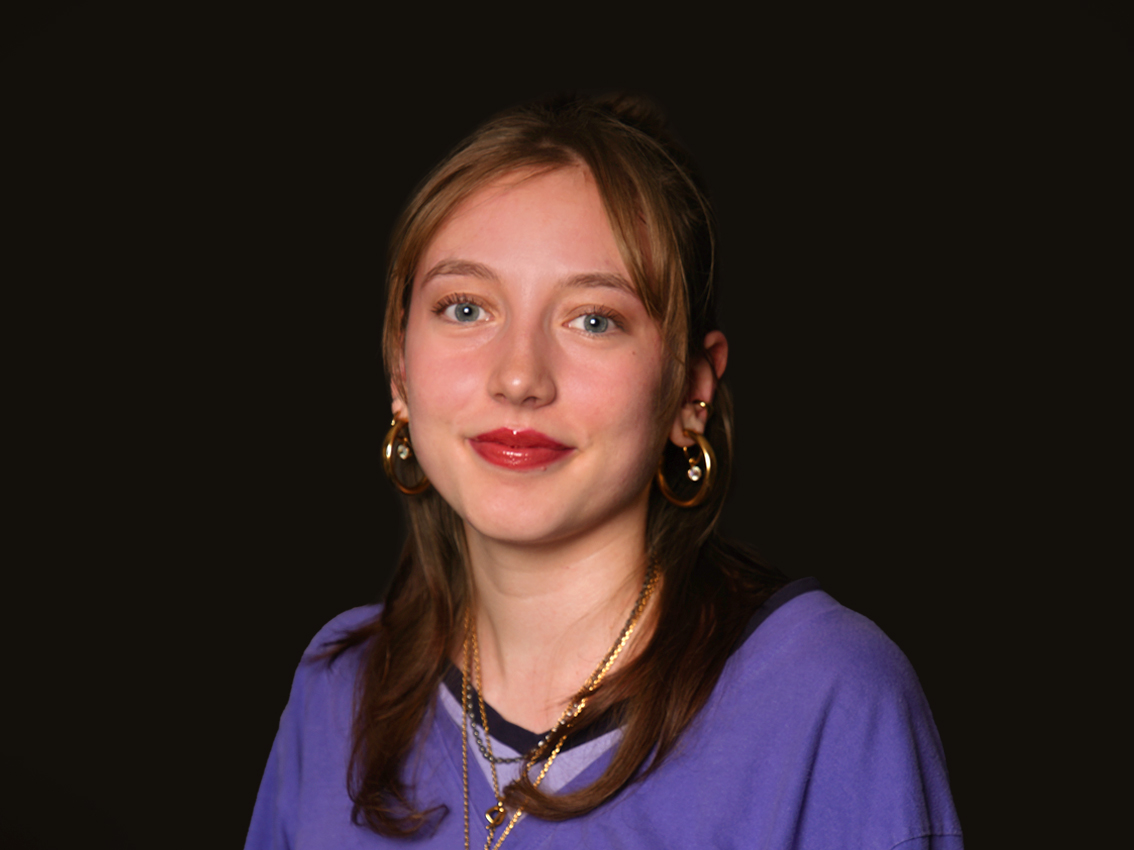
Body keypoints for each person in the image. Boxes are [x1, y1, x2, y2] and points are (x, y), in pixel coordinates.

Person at [246, 93, 963, 849]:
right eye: (466, 308)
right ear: (400, 367)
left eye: (594, 319)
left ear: (690, 392)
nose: (519, 377)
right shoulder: (339, 689)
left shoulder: (827, 696)